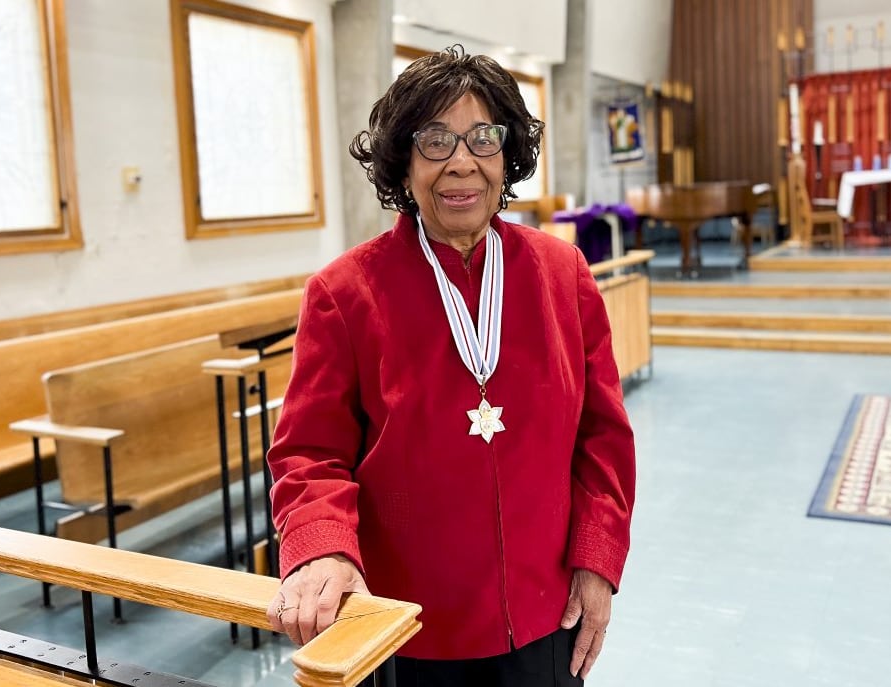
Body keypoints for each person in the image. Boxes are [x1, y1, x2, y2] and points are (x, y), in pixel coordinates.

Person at [265, 45, 636, 687]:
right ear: (402, 162)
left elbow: (603, 437)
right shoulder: (345, 291)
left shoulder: (562, 274)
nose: (461, 161)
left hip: (548, 614)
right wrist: (321, 545)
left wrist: (598, 557)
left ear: (507, 154)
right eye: (434, 140)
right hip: (402, 629)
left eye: (482, 138)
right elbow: (307, 453)